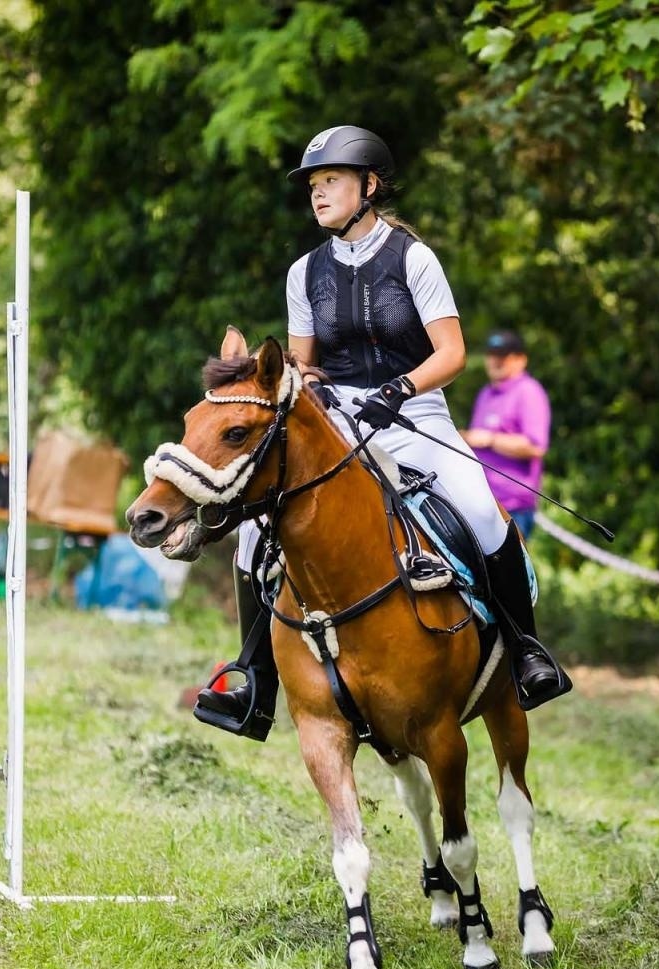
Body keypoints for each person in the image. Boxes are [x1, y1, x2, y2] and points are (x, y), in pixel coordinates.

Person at [193, 125, 572, 739]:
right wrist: (311, 387)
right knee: (250, 538)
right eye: (314, 185)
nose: (318, 195)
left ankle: (527, 653)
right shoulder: (303, 272)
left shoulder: (413, 258)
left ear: (368, 186)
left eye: (331, 182)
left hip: (415, 413)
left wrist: (398, 390)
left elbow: (452, 353)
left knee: (480, 510)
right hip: (339, 419)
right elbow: (303, 360)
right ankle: (255, 683)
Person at [463, 329, 550, 542]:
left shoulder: (528, 391)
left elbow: (535, 446)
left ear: (521, 359)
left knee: (507, 574)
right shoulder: (485, 393)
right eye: (492, 355)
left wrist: (490, 439)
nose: (496, 361)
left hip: (513, 506)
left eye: (503, 356)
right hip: (482, 501)